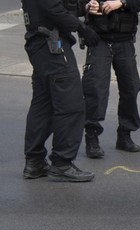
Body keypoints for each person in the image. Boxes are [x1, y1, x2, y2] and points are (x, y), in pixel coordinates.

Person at [21, 0, 96, 182]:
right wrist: (80, 27)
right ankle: (62, 162)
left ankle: (35, 161)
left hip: (41, 43)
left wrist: (83, 7)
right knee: (71, 104)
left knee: (43, 105)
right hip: (51, 44)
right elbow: (52, 8)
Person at [80, 0, 140, 159]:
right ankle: (92, 137)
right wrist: (88, 7)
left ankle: (125, 134)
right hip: (98, 40)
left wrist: (122, 3)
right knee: (96, 88)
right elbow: (73, 6)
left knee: (131, 87)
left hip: (125, 40)